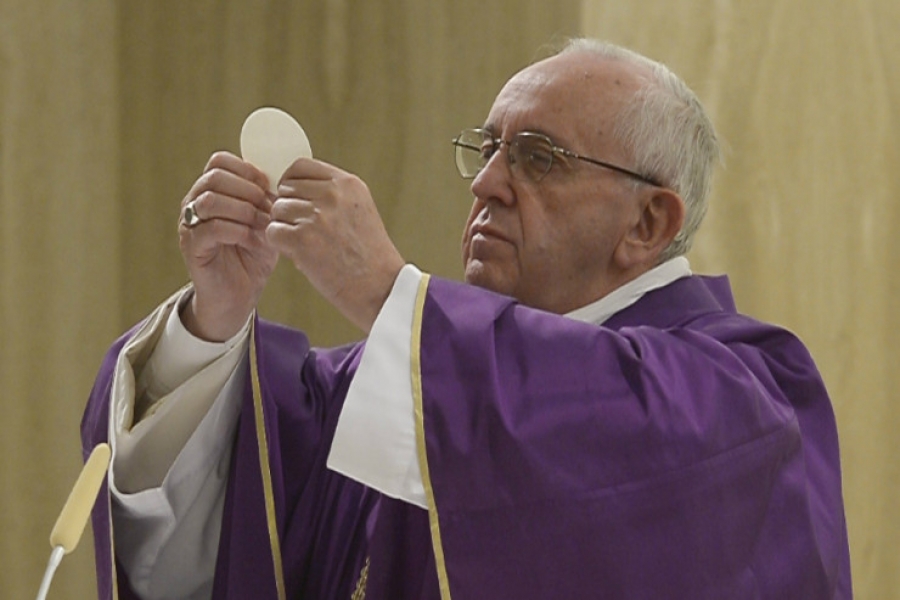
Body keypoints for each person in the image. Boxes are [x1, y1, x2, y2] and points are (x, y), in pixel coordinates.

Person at [83, 38, 852, 599]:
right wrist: (215, 320)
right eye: (485, 149)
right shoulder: (392, 389)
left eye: (539, 156)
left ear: (648, 223)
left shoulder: (743, 398)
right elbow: (230, 532)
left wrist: (384, 290)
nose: (486, 183)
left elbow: (599, 437)